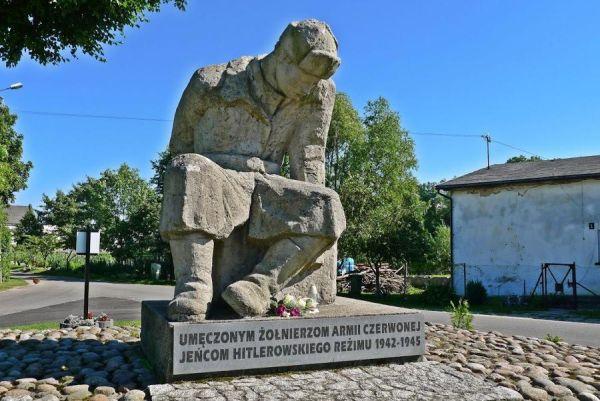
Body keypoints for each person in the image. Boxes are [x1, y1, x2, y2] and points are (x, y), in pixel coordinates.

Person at [160, 20, 346, 321]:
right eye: (304, 78)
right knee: (187, 169)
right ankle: (194, 287)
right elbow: (180, 144)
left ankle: (259, 286)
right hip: (215, 176)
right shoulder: (213, 81)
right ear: (283, 57)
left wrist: (309, 204)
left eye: (315, 82)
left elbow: (309, 154)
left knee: (327, 204)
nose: (309, 88)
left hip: (269, 185)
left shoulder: (320, 92)